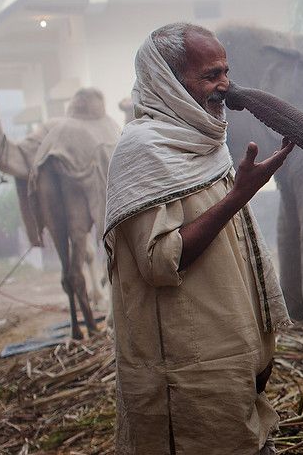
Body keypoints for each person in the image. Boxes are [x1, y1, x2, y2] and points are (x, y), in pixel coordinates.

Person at [104, 23, 293, 455]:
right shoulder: (143, 151)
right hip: (185, 374)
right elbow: (159, 261)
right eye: (210, 75)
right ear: (168, 82)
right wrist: (241, 195)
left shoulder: (206, 143)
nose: (225, 86)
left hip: (228, 358)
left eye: (225, 72)